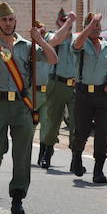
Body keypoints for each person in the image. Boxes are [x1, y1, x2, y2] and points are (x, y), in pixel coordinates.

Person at [0, 2, 57, 214]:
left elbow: (52, 58)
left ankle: (17, 197)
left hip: (22, 106)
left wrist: (40, 40)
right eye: (4, 20)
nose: (8, 23)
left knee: (22, 153)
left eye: (11, 19)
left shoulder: (26, 46)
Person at [69, 12, 107, 183]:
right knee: (82, 130)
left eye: (98, 27)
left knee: (102, 132)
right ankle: (77, 157)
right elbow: (76, 44)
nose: (96, 29)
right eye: (93, 26)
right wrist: (90, 24)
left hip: (102, 94)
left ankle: (98, 171)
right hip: (84, 93)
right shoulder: (81, 44)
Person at [35, 10, 75, 168]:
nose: (67, 23)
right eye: (63, 20)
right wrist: (67, 24)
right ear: (58, 22)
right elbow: (53, 42)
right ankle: (47, 152)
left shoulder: (78, 39)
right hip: (56, 83)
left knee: (76, 124)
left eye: (68, 20)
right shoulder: (52, 37)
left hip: (74, 85)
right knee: (53, 122)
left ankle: (75, 157)